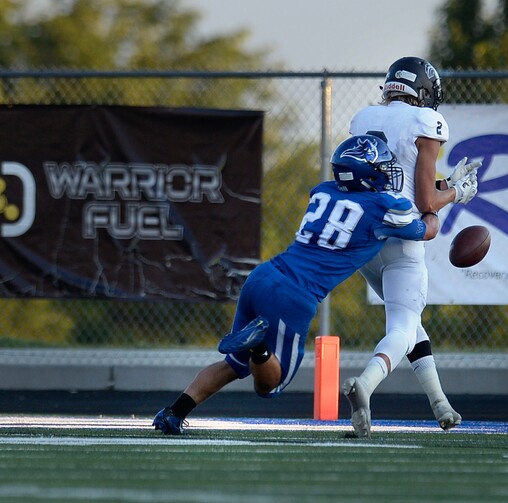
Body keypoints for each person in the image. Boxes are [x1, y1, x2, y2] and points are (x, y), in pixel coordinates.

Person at [151, 134, 469, 434]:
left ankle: (173, 413)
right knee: (269, 386)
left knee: (233, 365)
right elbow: (425, 228)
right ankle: (259, 347)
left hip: (263, 276)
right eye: (381, 168)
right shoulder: (384, 208)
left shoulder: (323, 191)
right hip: (295, 296)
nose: (387, 174)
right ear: (369, 173)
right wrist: (449, 196)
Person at [343, 56, 480, 437]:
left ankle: (441, 405)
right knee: (402, 325)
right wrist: (457, 193)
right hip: (402, 238)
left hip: (365, 237)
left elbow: (391, 182)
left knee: (410, 320)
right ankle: (366, 385)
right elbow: (423, 202)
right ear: (424, 93)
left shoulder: (365, 117)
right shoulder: (426, 122)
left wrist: (443, 187)